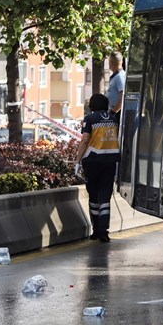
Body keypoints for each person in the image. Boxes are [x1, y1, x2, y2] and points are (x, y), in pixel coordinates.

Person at [74, 93, 120, 242]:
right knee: (105, 197)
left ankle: (96, 229)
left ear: (92, 105)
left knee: (93, 197)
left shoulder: (90, 119)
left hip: (93, 162)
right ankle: (104, 232)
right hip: (110, 162)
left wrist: (77, 161)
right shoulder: (113, 118)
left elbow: (85, 139)